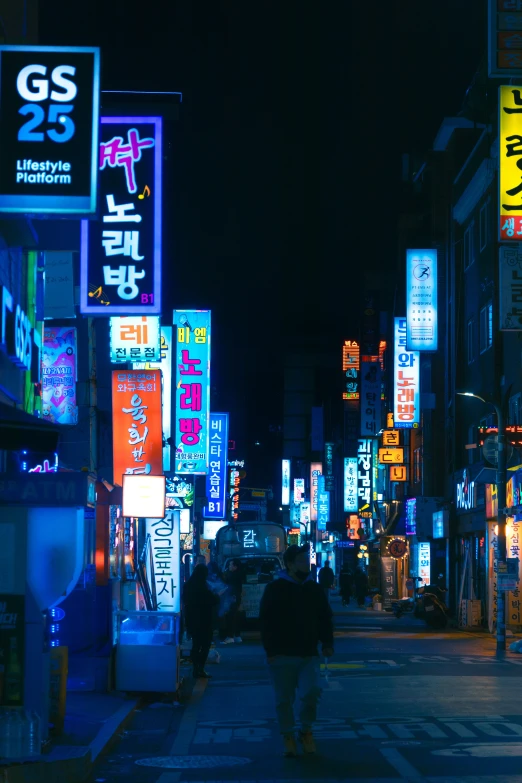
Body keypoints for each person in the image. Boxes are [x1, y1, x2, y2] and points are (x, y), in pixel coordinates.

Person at [259, 544, 334, 757]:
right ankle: (288, 735)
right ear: (290, 564)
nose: (306, 565)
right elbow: (266, 621)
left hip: (308, 653)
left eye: (307, 561)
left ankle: (306, 730)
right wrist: (270, 650)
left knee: (312, 691)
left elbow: (325, 618)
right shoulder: (275, 588)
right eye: (301, 561)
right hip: (281, 654)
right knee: (284, 698)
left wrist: (327, 643)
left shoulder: (313, 588)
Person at [182, 564, 219, 678]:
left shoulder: (188, 585)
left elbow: (185, 601)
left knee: (196, 644)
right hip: (205, 620)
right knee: (205, 645)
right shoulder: (204, 587)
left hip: (192, 620)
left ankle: (195, 668)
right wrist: (217, 595)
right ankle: (200, 668)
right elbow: (213, 600)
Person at [221, 558, 243, 644]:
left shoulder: (232, 575)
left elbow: (226, 584)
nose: (229, 566)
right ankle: (237, 635)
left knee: (231, 617)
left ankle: (230, 636)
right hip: (236, 597)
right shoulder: (239, 575)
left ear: (235, 566)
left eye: (230, 565)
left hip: (232, 597)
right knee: (235, 616)